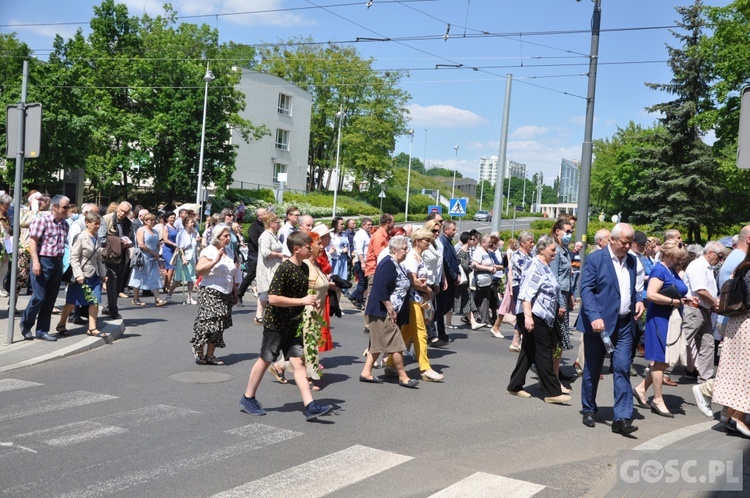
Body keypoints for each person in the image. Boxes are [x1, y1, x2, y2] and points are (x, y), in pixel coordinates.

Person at [240, 231, 333, 420]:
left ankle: (309, 405)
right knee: (266, 359)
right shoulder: (284, 268)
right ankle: (248, 397)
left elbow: (300, 295)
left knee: (298, 362)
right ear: (297, 249)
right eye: (308, 246)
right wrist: (302, 302)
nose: (311, 249)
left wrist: (310, 301)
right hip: (276, 323)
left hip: (293, 323)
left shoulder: (304, 268)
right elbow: (272, 298)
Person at [577, 223, 644, 435]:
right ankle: (588, 408)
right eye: (624, 242)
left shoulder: (633, 260)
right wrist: (595, 316)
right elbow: (586, 289)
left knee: (623, 367)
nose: (627, 246)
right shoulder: (596, 259)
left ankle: (621, 418)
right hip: (599, 326)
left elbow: (633, 288)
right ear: (612, 240)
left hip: (624, 323)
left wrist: (639, 300)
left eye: (630, 242)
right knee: (593, 368)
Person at [633, 238, 693, 418]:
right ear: (667, 254)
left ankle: (641, 389)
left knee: (664, 360)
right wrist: (674, 301)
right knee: (660, 360)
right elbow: (651, 295)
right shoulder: (660, 269)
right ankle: (657, 399)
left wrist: (685, 300)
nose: (680, 261)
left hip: (669, 318)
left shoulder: (670, 270)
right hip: (659, 319)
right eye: (677, 257)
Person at [506, 235, 571, 404]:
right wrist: (528, 317)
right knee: (544, 351)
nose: (555, 253)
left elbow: (549, 290)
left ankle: (515, 385)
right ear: (542, 250)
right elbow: (526, 293)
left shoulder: (545, 266)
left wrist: (557, 307)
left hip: (541, 314)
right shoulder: (535, 266)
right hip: (533, 314)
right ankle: (552, 392)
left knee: (529, 351)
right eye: (552, 250)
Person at [359, 236, 419, 388]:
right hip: (383, 311)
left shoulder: (397, 264)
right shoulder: (388, 264)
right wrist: (390, 308)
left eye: (407, 248)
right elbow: (381, 288)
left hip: (387, 311)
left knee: (377, 344)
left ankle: (366, 372)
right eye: (404, 249)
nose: (407, 252)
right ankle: (403, 377)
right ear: (394, 249)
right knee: (396, 344)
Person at [393, 228, 443, 382]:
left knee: (408, 331)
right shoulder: (412, 258)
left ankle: (390, 363)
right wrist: (426, 289)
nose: (429, 243)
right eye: (426, 240)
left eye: (430, 240)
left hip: (419, 299)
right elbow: (412, 279)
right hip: (413, 299)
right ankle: (425, 368)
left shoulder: (418, 256)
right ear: (417, 241)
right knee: (421, 333)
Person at [20, 195, 71, 341]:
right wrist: (36, 262)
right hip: (42, 261)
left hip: (57, 262)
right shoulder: (41, 221)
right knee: (39, 297)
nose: (67, 210)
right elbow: (33, 242)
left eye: (68, 206)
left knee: (50, 299)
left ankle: (42, 330)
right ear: (54, 207)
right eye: (65, 207)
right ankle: (25, 324)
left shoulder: (64, 224)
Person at [712, 248, 750, 437]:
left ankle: (733, 416)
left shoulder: (742, 267)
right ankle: (738, 418)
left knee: (740, 374)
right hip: (748, 324)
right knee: (746, 375)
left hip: (737, 323)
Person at [191, 223, 240, 366]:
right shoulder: (210, 250)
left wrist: (235, 291)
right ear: (217, 237)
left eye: (228, 236)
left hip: (225, 292)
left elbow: (231, 274)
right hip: (210, 291)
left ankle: (210, 355)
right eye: (225, 236)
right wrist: (215, 261)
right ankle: (199, 350)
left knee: (219, 325)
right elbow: (199, 270)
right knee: (208, 323)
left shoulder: (230, 252)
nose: (228, 239)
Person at [56, 212, 107, 337]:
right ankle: (61, 325)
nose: (97, 226)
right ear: (87, 223)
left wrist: (103, 274)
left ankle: (92, 328)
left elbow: (98, 258)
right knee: (72, 302)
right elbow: (74, 258)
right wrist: (78, 274)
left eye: (99, 224)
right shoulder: (80, 237)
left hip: (94, 275)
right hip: (81, 276)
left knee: (94, 301)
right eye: (95, 224)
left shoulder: (97, 238)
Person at [682, 241, 724, 383]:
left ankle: (705, 378)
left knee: (708, 344)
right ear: (710, 252)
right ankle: (659, 369)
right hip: (694, 310)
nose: (720, 260)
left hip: (704, 310)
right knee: (682, 341)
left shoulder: (707, 267)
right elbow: (701, 290)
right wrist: (715, 303)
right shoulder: (698, 266)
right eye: (719, 256)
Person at [99, 201, 132, 319]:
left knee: (118, 285)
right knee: (111, 282)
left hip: (122, 255)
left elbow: (130, 237)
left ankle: (109, 307)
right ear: (117, 208)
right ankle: (113, 310)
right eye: (121, 210)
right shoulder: (106, 219)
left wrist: (127, 243)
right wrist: (118, 242)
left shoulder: (128, 223)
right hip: (109, 256)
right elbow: (101, 239)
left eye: (126, 212)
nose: (122, 214)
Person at [363, 214, 394, 332]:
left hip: (379, 270)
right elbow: (379, 255)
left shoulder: (385, 235)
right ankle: (368, 324)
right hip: (374, 270)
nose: (394, 224)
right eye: (393, 221)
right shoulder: (378, 236)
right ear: (387, 222)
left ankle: (376, 322)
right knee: (371, 297)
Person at [129, 213, 168, 307]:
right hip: (143, 257)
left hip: (153, 258)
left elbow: (158, 243)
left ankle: (157, 299)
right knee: (139, 277)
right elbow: (141, 244)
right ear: (145, 221)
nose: (152, 221)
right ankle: (136, 298)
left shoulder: (154, 231)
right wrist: (152, 252)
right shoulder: (141, 230)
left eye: (154, 220)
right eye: (150, 220)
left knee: (155, 277)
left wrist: (157, 253)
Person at [507, 231, 534, 351]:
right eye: (530, 242)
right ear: (522, 243)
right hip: (520, 287)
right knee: (522, 313)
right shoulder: (517, 255)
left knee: (525, 313)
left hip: (529, 287)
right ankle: (516, 341)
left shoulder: (531, 255)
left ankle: (516, 341)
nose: (532, 244)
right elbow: (526, 271)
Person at [255, 212, 284, 326]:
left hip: (273, 267)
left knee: (267, 292)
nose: (279, 225)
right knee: (267, 291)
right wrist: (279, 255)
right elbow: (265, 252)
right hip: (267, 268)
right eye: (277, 223)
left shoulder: (273, 235)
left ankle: (260, 315)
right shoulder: (266, 235)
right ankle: (260, 315)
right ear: (271, 223)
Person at [452, 231, 483, 330]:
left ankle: (473, 323)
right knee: (452, 303)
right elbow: (464, 266)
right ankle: (441, 321)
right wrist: (471, 266)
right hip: (460, 281)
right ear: (467, 240)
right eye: (471, 239)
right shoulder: (461, 252)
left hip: (465, 282)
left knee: (467, 301)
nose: (473, 242)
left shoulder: (465, 252)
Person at [437, 220, 460, 342]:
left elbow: (454, 261)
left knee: (448, 305)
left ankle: (430, 323)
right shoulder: (443, 243)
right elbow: (445, 262)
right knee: (441, 307)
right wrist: (454, 276)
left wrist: (458, 274)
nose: (455, 232)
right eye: (453, 229)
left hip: (451, 279)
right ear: (446, 230)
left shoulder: (448, 242)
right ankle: (440, 333)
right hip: (445, 280)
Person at [238, 207, 266, 304]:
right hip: (255, 255)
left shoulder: (265, 226)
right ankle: (239, 293)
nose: (267, 215)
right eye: (264, 214)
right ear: (259, 216)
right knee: (251, 275)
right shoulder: (254, 227)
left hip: (264, 255)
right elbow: (255, 241)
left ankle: (263, 297)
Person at [168, 217, 199, 304]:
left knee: (191, 278)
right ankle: (169, 295)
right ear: (185, 224)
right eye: (191, 222)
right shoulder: (181, 234)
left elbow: (194, 247)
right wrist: (183, 258)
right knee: (178, 279)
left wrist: (196, 259)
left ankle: (189, 297)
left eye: (193, 222)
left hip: (192, 257)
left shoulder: (193, 233)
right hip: (184, 258)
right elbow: (180, 247)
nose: (193, 224)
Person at [472, 235, 498, 328]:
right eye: (488, 242)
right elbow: (475, 265)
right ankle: (484, 319)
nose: (490, 244)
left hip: (488, 278)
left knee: (486, 299)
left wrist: (493, 268)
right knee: (484, 299)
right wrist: (488, 268)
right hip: (482, 278)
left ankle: (484, 319)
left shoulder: (486, 251)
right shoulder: (478, 252)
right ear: (483, 242)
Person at [349, 218, 373, 309]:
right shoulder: (360, 235)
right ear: (363, 225)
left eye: (371, 225)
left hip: (367, 261)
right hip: (361, 261)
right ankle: (358, 301)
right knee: (362, 282)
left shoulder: (368, 234)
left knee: (365, 282)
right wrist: (362, 262)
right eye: (368, 225)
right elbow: (359, 250)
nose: (370, 226)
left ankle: (354, 296)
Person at [329, 217, 350, 300]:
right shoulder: (331, 235)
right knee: (334, 283)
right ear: (335, 225)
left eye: (343, 224)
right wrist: (341, 250)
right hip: (335, 260)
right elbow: (331, 248)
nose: (343, 225)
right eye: (341, 224)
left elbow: (347, 246)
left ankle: (337, 305)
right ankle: (332, 305)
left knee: (341, 283)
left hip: (343, 260)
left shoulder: (344, 235)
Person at [160, 212, 179, 294]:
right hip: (167, 249)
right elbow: (165, 239)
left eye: (174, 217)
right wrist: (174, 244)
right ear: (167, 218)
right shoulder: (166, 227)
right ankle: (167, 286)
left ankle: (166, 285)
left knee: (170, 269)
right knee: (171, 267)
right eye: (171, 217)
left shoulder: (174, 227)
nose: (173, 219)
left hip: (174, 250)